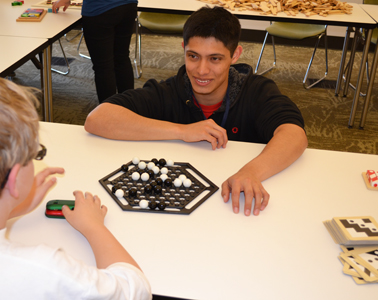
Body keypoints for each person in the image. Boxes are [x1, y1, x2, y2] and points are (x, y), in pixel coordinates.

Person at [0, 67, 151, 299]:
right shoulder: (41, 270)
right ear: (13, 180)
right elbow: (135, 289)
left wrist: (9, 206)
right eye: (35, 154)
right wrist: (93, 226)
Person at [84, 6, 308, 217]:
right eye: (193, 56)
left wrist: (251, 172)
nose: (202, 70)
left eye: (215, 59)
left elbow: (294, 134)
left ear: (235, 55)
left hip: (234, 211)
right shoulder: (168, 91)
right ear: (183, 50)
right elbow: (97, 119)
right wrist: (181, 131)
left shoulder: (256, 91)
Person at [52, 0, 137, 103]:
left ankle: (108, 114)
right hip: (128, 6)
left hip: (100, 10)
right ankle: (130, 108)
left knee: (104, 67)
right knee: (122, 59)